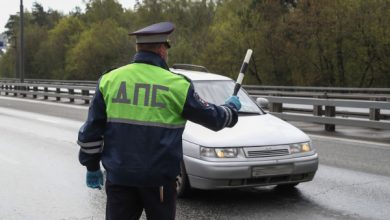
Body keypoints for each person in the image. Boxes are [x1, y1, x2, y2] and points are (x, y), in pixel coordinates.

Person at [77, 21, 241, 220]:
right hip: (159, 181)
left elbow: (91, 132)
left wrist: (91, 166)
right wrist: (230, 110)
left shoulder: (109, 80)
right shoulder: (176, 84)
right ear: (162, 50)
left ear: (138, 48)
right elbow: (213, 119)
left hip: (120, 178)